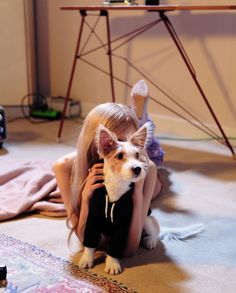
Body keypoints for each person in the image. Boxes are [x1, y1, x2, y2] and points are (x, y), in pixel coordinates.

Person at [53, 80, 164, 257]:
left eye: (129, 141)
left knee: (156, 185)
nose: (123, 144)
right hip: (109, 168)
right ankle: (139, 115)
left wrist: (138, 196)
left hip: (139, 172)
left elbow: (129, 249)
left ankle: (141, 116)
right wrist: (86, 196)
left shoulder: (147, 169)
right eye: (116, 141)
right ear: (101, 143)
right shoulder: (64, 167)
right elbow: (84, 240)